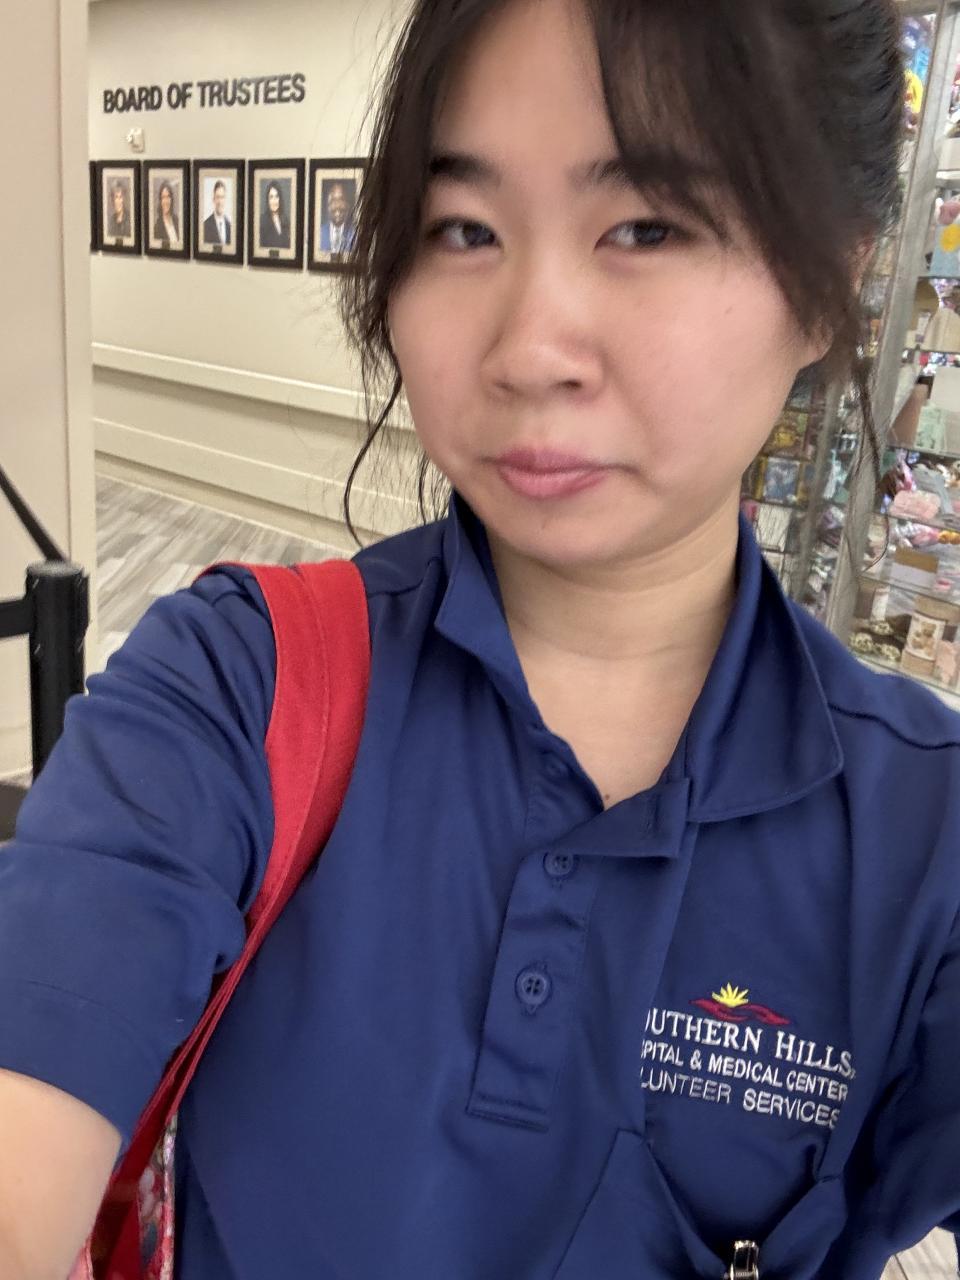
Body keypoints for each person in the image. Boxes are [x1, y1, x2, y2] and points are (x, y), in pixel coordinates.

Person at [1, 2, 959, 1278]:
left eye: (646, 226)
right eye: (463, 228)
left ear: (833, 273)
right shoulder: (235, 686)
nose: (527, 350)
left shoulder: (924, 832)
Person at [319, 179, 356, 256]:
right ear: (328, 207)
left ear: (347, 206)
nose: (337, 205)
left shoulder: (355, 234)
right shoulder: (319, 233)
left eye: (341, 200)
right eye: (333, 201)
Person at [259, 180, 290, 249]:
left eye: (276, 196)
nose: (274, 201)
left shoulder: (285, 220)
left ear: (280, 199)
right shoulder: (262, 221)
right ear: (268, 200)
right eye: (271, 197)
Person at [202, 179, 232, 247]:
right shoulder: (205, 226)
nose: (220, 201)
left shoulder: (230, 226)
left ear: (225, 199)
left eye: (222, 197)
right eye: (218, 197)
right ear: (213, 199)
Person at [152, 180, 180, 249]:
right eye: (163, 197)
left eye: (168, 197)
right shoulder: (157, 227)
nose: (166, 201)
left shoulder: (177, 220)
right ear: (160, 201)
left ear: (171, 199)